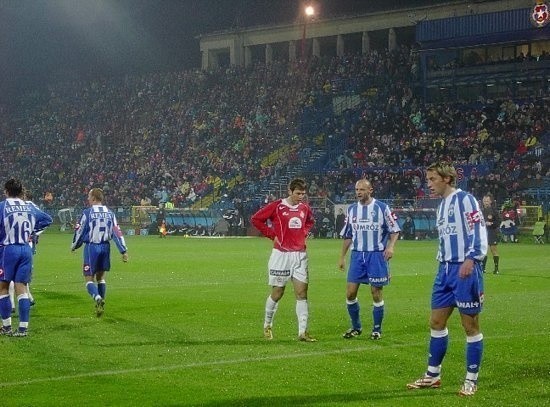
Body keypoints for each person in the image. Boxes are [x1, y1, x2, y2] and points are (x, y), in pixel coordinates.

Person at [407, 162, 487, 397]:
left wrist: (472, 259)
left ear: (447, 179)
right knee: (436, 322)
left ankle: (471, 380)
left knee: (470, 326)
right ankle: (433, 375)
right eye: (428, 179)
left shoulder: (466, 200)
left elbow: (478, 228)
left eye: (432, 179)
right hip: (445, 270)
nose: (428, 184)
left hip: (466, 269)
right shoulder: (442, 206)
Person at [251, 178, 316, 342]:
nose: (301, 197)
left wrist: (303, 233)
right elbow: (256, 219)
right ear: (290, 191)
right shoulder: (277, 206)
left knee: (302, 293)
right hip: (281, 255)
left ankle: (302, 332)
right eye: (298, 193)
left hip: (300, 255)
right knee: (278, 292)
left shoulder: (304, 208)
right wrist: (272, 235)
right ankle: (267, 325)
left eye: (303, 194)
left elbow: (310, 221)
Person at [338, 179, 400, 340]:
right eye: (356, 189)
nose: (358, 192)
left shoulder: (381, 207)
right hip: (357, 255)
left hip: (376, 256)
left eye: (362, 189)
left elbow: (394, 230)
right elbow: (348, 235)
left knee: (376, 292)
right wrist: (342, 257)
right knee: (350, 293)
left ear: (370, 190)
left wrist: (391, 246)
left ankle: (376, 329)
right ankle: (356, 327)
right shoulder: (351, 209)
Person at [0, 179, 52, 336]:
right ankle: (22, 328)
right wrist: (32, 231)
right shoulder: (29, 206)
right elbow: (47, 220)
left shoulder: (3, 206)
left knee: (3, 287)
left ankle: (7, 326)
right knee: (21, 288)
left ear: (6, 191)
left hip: (8, 250)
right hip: (26, 250)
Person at [71, 188, 129, 317]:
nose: (87, 199)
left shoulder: (87, 213)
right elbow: (117, 232)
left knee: (88, 279)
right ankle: (101, 305)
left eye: (89, 196)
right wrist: (123, 251)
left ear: (93, 198)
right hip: (105, 248)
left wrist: (74, 245)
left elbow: (80, 231)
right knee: (101, 278)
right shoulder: (110, 213)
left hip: (92, 247)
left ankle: (97, 297)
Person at [481, 193, 500, 274]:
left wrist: (491, 224)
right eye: (484, 200)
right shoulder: (480, 211)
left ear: (491, 201)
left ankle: (496, 269)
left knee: (493, 250)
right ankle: (483, 269)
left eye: (487, 201)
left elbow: (498, 221)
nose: (486, 202)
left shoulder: (494, 211)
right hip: (483, 233)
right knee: (484, 251)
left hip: (492, 231)